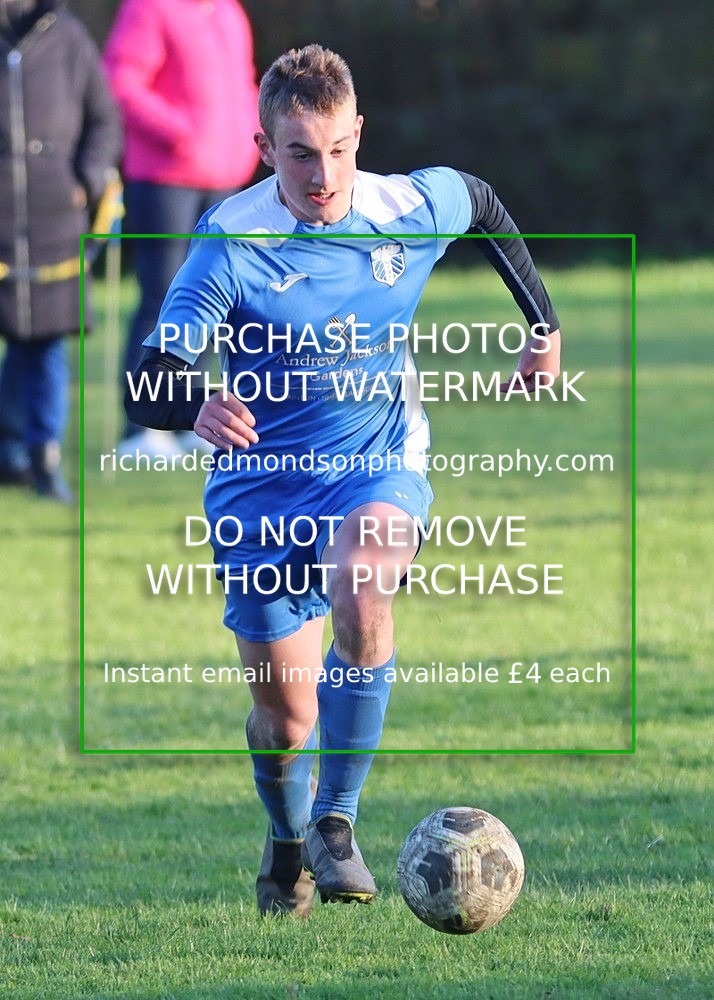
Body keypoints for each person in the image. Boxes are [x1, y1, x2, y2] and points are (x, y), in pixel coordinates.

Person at [125, 44, 561, 917]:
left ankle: (335, 821)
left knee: (363, 584)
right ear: (262, 147)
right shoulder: (232, 241)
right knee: (284, 723)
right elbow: (148, 375)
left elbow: (480, 201)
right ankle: (287, 843)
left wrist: (543, 326)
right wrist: (194, 402)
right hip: (260, 494)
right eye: (298, 154)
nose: (322, 176)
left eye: (337, 150)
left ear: (359, 132)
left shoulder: (405, 206)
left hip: (377, 461)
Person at [103, 0, 260, 457]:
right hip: (164, 178)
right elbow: (121, 82)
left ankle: (193, 416)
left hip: (225, 177)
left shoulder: (229, 11)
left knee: (215, 301)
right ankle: (143, 428)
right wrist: (180, 131)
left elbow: (246, 84)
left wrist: (250, 137)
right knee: (163, 296)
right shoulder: (150, 8)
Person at [0, 0, 121, 499]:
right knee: (19, 335)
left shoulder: (68, 36)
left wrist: (85, 181)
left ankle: (43, 459)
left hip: (55, 221)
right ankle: (9, 450)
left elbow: (105, 120)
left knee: (45, 340)